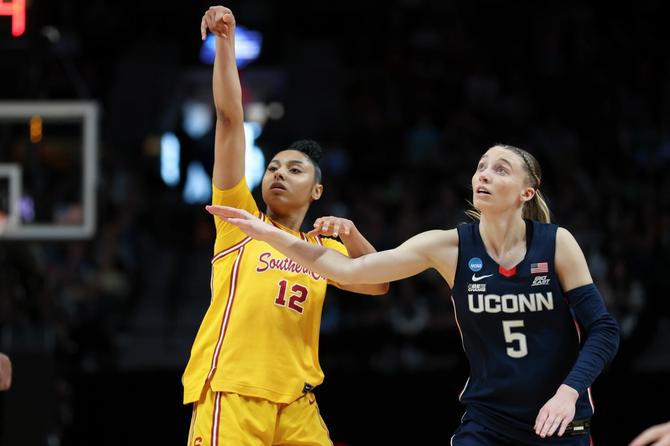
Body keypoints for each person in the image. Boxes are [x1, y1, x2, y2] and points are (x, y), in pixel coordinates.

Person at [208, 144, 620, 445]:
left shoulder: (556, 243)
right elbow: (352, 270)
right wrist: (264, 232)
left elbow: (603, 330)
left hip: (559, 420)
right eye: (480, 167)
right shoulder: (447, 246)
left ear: (526, 193)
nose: (484, 175)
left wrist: (568, 393)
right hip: (488, 422)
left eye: (500, 169)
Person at [183, 6, 388, 446]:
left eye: (295, 170)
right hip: (234, 392)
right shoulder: (240, 221)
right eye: (274, 167)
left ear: (317, 191)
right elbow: (229, 119)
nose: (278, 173)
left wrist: (351, 237)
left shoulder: (320, 250)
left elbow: (377, 285)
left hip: (297, 403)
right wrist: (225, 42)